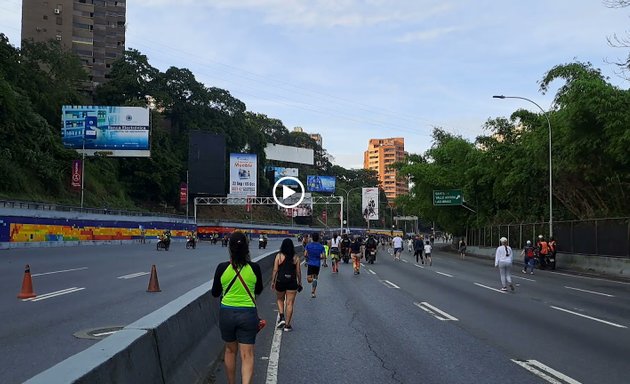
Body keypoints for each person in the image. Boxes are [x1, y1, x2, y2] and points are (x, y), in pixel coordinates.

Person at [211, 231, 263, 384]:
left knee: (230, 350)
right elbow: (259, 290)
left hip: (226, 313)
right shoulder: (255, 268)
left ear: (229, 248)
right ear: (247, 248)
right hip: (248, 314)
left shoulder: (222, 268)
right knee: (247, 355)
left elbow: (215, 293)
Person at [272, 239, 302, 332]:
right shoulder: (296, 257)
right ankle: (287, 326)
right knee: (290, 303)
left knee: (280, 299)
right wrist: (299, 282)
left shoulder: (279, 256)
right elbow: (298, 271)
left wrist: (273, 281)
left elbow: (275, 270)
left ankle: (282, 317)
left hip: (280, 281)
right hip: (292, 282)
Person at [304, 232, 325, 298]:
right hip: (317, 264)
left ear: (312, 238)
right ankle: (313, 292)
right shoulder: (321, 246)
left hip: (310, 263)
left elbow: (305, 254)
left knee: (308, 279)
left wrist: (308, 258)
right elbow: (323, 256)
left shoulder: (308, 245)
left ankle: (313, 280)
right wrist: (319, 257)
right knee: (315, 277)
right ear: (318, 238)